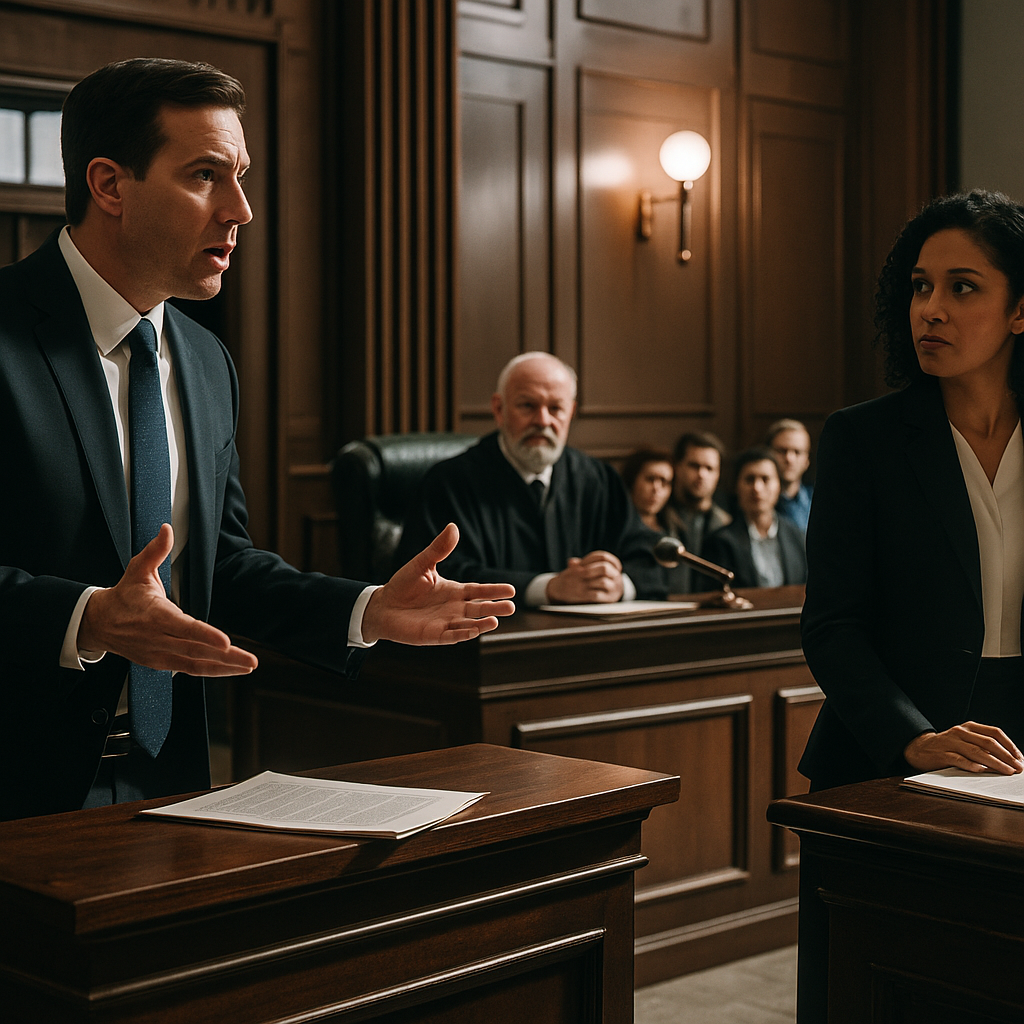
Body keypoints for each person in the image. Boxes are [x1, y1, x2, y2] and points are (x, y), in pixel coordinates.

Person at [0, 58, 515, 822]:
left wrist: (368, 610)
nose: (241, 209)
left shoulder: (206, 362)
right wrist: (88, 617)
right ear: (110, 185)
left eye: (241, 176)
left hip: (169, 781)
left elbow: (225, 568)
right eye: (206, 175)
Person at [795, 190, 1024, 1023]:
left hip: (1018, 753)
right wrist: (914, 736)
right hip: (882, 758)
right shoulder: (864, 439)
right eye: (921, 287)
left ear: (1020, 309)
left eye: (963, 288)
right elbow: (833, 625)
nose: (931, 309)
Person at [396, 351, 665, 606]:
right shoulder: (449, 483)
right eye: (528, 406)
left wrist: (618, 585)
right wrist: (547, 588)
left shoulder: (598, 479)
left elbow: (648, 559)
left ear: (570, 413)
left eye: (556, 408)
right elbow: (431, 577)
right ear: (499, 409)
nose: (543, 420)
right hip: (487, 643)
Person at [702, 447, 807, 589]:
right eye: (749, 479)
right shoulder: (720, 542)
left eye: (765, 479)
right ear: (736, 486)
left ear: (778, 486)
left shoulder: (797, 537)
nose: (757, 488)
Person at [665, 431, 732, 591]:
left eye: (709, 468)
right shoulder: (658, 517)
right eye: (694, 466)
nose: (701, 474)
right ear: (678, 467)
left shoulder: (727, 523)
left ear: (718, 474)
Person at [765, 418, 813, 532]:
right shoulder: (753, 501)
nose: (789, 459)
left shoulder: (818, 502)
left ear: (807, 461)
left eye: (797, 452)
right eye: (782, 451)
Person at [620, 448, 674, 532]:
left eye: (664, 482)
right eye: (650, 479)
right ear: (632, 480)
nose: (656, 488)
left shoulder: (674, 526)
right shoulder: (616, 524)